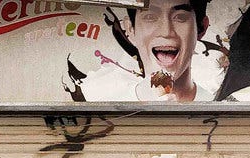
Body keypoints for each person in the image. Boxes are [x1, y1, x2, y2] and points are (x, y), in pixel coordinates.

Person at [65, 0, 211, 103]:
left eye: (180, 17)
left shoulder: (219, 106)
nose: (166, 32)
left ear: (202, 28)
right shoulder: (107, 114)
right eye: (150, 17)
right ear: (130, 30)